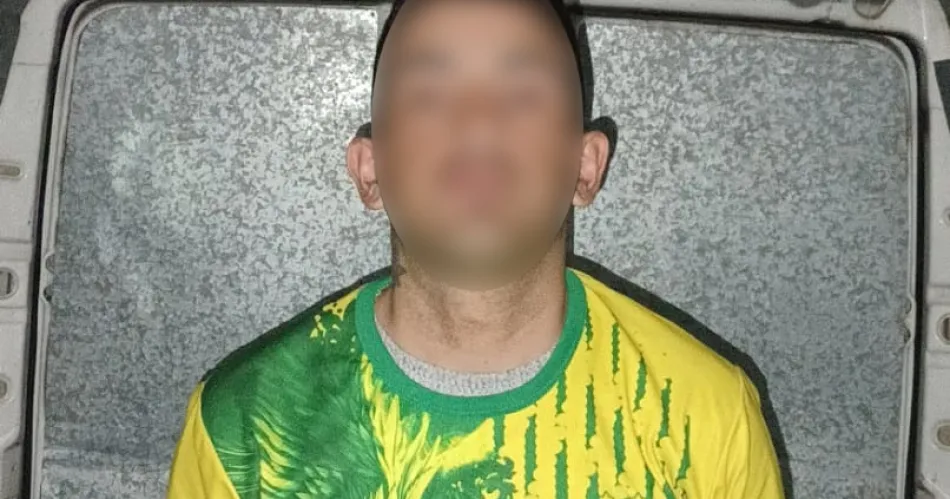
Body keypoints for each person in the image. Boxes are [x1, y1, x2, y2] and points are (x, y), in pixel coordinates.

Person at [167, 0, 784, 497]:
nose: (479, 122)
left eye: (523, 93)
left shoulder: (707, 414)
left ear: (586, 166)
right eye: (430, 93)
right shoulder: (244, 425)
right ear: (369, 170)